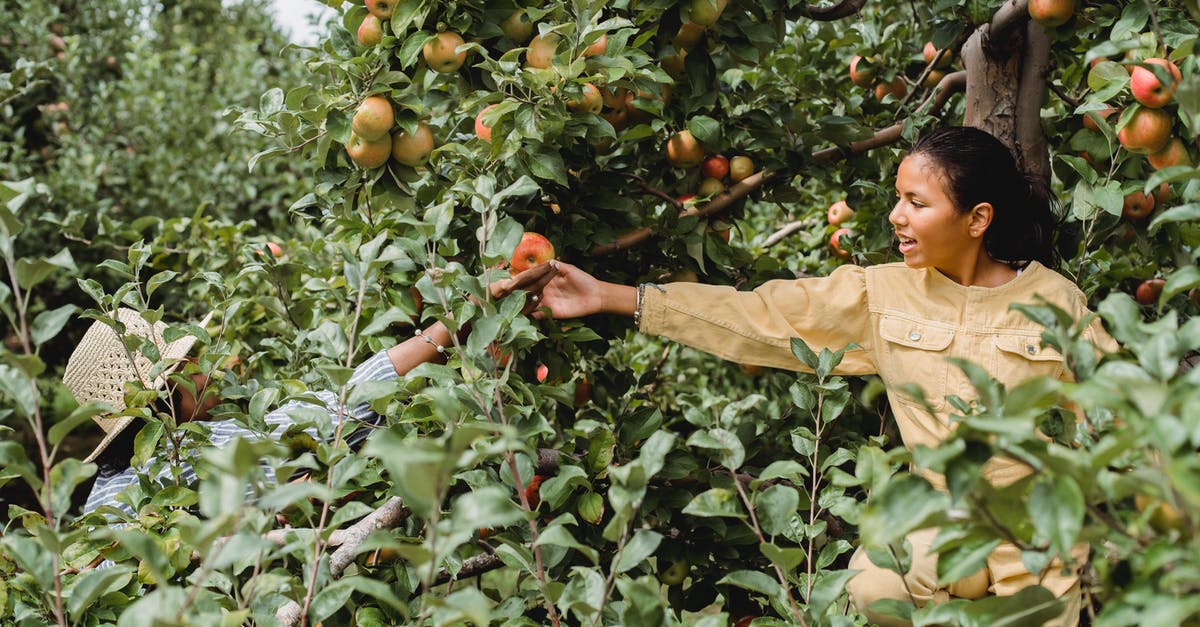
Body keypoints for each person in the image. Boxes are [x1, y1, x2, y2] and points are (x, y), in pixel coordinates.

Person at [535, 126, 1117, 626]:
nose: (896, 216)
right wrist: (613, 296)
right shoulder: (880, 293)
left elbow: (1120, 415)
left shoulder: (1054, 301)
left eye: (916, 203)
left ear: (977, 219)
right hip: (939, 524)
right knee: (873, 584)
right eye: (897, 198)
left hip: (1039, 539)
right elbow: (757, 315)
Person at [67, 264, 557, 518]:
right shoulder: (203, 453)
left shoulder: (99, 507)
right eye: (191, 366)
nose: (208, 371)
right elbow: (340, 411)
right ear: (161, 395)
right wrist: (451, 323)